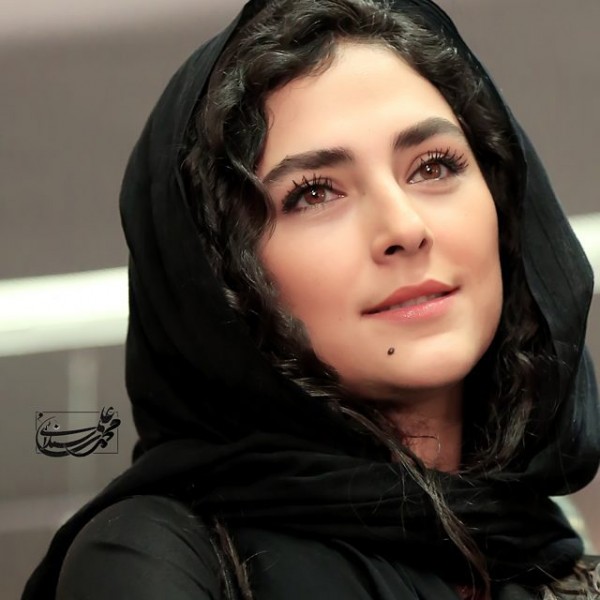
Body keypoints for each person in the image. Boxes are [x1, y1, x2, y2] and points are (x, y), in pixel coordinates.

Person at [22, 0, 600, 599]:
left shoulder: (549, 555)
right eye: (315, 193)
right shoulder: (154, 557)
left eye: (432, 166)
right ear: (223, 277)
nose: (404, 228)